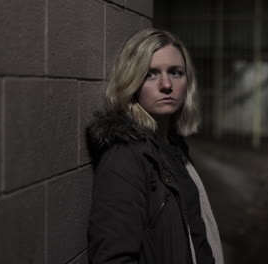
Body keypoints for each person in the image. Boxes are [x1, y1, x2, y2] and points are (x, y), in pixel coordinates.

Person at [86, 28, 224, 264]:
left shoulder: (174, 147)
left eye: (176, 72)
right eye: (151, 74)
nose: (167, 84)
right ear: (132, 82)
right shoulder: (125, 156)